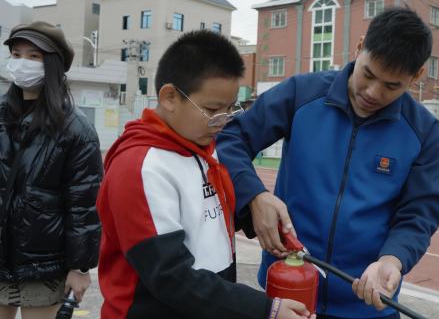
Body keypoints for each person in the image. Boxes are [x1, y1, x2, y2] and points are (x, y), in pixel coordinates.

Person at [217, 7, 439, 319]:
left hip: (367, 305)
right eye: (368, 74)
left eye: (392, 86)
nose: (373, 92)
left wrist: (393, 259)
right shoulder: (302, 94)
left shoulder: (423, 131)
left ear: (417, 75)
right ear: (359, 47)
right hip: (287, 295)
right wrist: (255, 196)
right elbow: (231, 138)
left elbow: (419, 213)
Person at [96, 30, 314, 319]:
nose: (223, 121)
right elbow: (169, 276)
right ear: (170, 97)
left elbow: (207, 214)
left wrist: (258, 216)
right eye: (212, 109)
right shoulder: (140, 167)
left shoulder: (202, 147)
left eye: (229, 109)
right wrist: (265, 310)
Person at [0, 21, 103, 319]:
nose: (22, 64)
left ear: (53, 65)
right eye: (16, 54)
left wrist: (80, 267)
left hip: (44, 264)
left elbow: (84, 204)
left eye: (33, 57)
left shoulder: (76, 129)